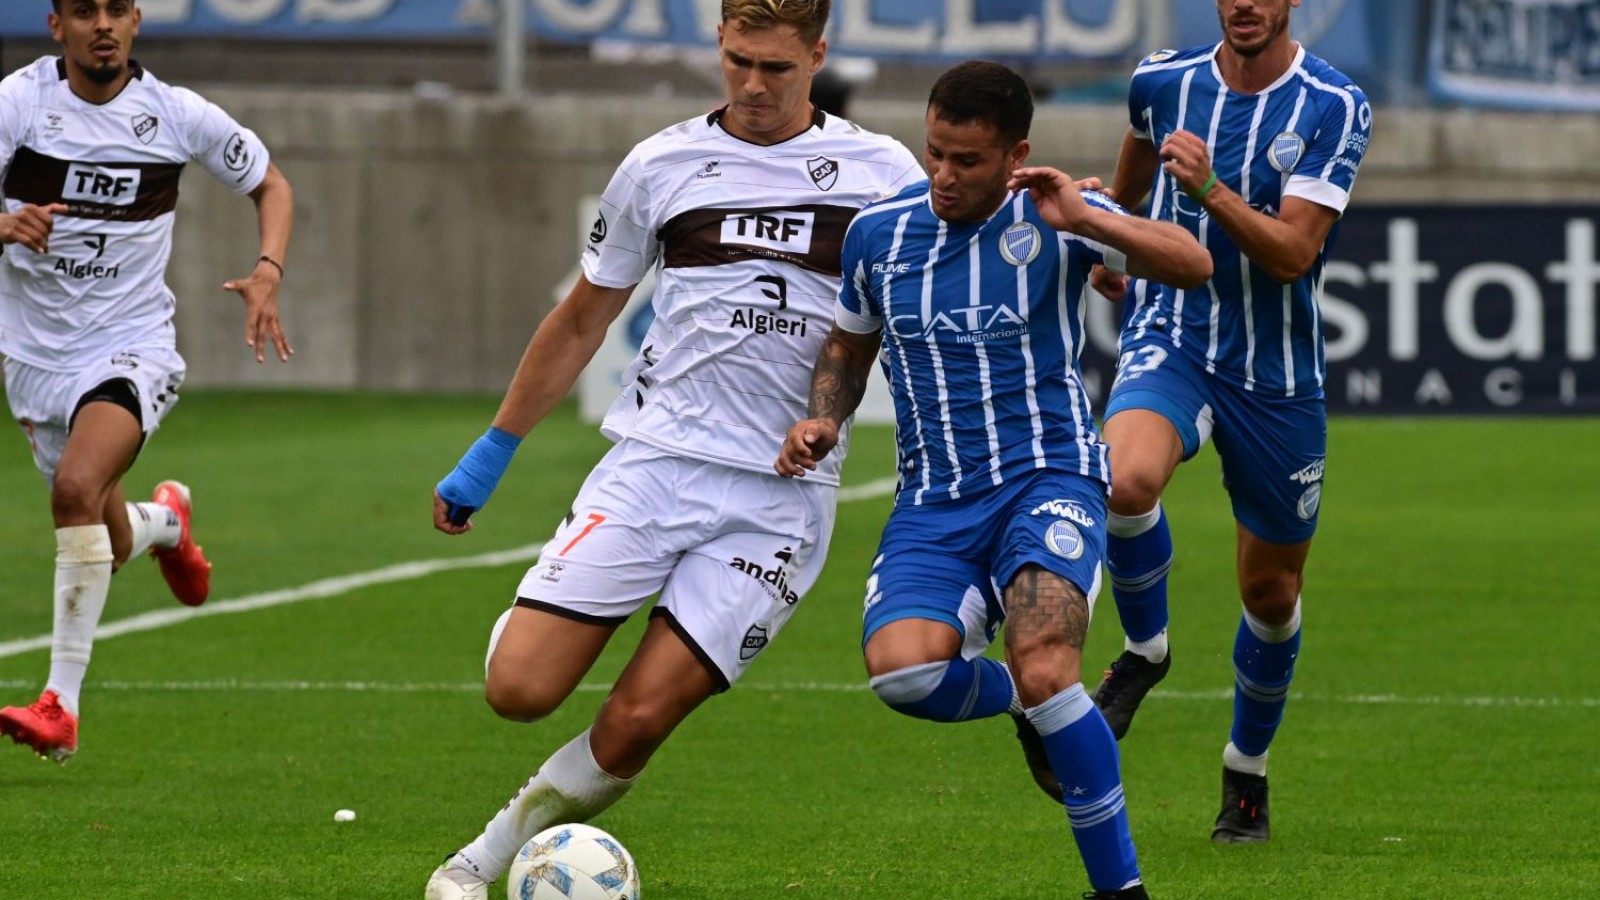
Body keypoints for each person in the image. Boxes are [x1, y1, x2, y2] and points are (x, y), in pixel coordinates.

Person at [422, 2, 922, 897]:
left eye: (776, 67)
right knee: (519, 690)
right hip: (652, 466)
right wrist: (492, 451)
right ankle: (544, 612)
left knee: (638, 720)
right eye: (738, 62)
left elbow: (920, 314)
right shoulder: (660, 164)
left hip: (776, 502)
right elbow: (584, 317)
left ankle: (481, 859)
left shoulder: (883, 174)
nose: (755, 86)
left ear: (818, 53)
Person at [776, 60, 1211, 900]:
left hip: (1048, 478)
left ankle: (1119, 889)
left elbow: (1192, 263)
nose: (943, 175)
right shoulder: (881, 233)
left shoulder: (1052, 212)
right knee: (904, 675)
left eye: (967, 161)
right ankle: (1024, 703)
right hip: (934, 500)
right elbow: (847, 344)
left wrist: (1091, 218)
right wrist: (824, 416)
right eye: (934, 152)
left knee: (1051, 664)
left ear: (1015, 155)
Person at [1086, 0, 1372, 843]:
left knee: (1271, 592)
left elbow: (1292, 255)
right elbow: (1135, 154)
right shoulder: (1163, 80)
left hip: (1277, 377)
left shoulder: (1333, 103)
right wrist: (1113, 247)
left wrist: (1208, 189)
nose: (1246, 3)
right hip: (1171, 337)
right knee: (1124, 480)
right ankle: (1145, 652)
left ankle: (1246, 769)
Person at [0, 0, 294, 763]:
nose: (103, 24)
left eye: (117, 9)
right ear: (55, 26)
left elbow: (272, 186)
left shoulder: (175, 114)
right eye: (83, 10)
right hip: (33, 360)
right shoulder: (18, 105)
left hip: (132, 348)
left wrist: (268, 270)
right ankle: (167, 522)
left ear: (135, 22)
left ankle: (59, 704)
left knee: (73, 493)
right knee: (100, 530)